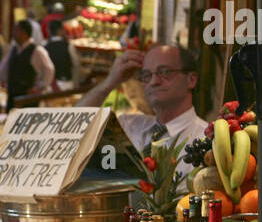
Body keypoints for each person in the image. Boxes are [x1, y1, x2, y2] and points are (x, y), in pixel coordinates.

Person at [77, 43, 208, 177]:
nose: (153, 81)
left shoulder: (206, 141)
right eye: (147, 75)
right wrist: (111, 81)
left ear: (191, 80)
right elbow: (74, 126)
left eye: (165, 72)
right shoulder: (126, 126)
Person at [0, 19, 55, 104]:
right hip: (13, 95)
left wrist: (39, 87)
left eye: (15, 30)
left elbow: (49, 70)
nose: (12, 33)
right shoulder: (14, 50)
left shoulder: (37, 51)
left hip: (29, 98)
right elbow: (2, 68)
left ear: (24, 33)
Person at [43, 19, 79, 90]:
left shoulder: (44, 46)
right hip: (67, 83)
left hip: (50, 85)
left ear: (49, 31)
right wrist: (76, 83)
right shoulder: (68, 45)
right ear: (61, 30)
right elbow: (76, 65)